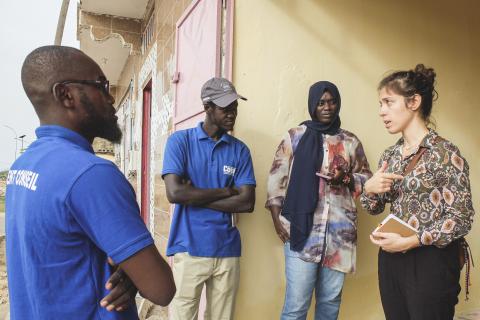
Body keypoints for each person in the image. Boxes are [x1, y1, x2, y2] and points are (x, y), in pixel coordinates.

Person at [5, 45, 176, 319]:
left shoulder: (24, 165)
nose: (110, 97)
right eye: (100, 85)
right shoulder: (92, 174)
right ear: (66, 94)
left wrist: (130, 270)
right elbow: (160, 288)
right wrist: (135, 274)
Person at [361, 64, 475, 320]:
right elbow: (373, 207)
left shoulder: (445, 153)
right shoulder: (390, 154)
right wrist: (369, 189)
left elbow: (462, 218)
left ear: (414, 102)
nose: (382, 112)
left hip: (431, 262)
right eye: (380, 104)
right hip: (391, 260)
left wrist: (411, 241)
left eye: (389, 102)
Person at [266, 81, 372, 320]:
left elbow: (367, 180)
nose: (327, 107)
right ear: (313, 105)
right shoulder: (295, 137)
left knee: (330, 304)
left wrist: (345, 178)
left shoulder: (350, 142)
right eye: (321, 102)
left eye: (332, 101)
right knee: (295, 307)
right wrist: (277, 220)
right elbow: (276, 180)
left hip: (339, 235)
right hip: (302, 232)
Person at [162, 77, 256, 320]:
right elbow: (175, 193)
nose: (232, 114)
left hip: (227, 250)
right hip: (189, 246)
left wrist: (194, 196)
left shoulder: (240, 150)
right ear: (208, 108)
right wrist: (225, 191)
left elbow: (247, 202)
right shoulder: (180, 142)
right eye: (226, 108)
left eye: (235, 107)